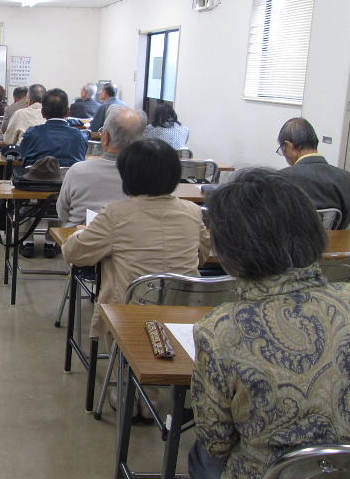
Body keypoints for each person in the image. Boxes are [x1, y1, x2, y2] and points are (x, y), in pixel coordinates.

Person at [188, 169, 350, 479]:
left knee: (202, 455)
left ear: (229, 250)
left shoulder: (220, 330)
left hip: (267, 472)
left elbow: (216, 441)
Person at [61, 139, 209, 340]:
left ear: (127, 177)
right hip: (184, 312)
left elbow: (74, 254)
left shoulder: (116, 214)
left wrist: (79, 234)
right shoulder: (193, 211)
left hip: (129, 315)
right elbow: (202, 256)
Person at [57, 107, 147, 226]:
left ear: (105, 137)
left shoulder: (78, 171)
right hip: (131, 235)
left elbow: (62, 213)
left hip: (81, 234)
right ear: (142, 140)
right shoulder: (148, 174)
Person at [277, 117, 350, 228]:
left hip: (291, 239)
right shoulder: (346, 179)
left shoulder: (278, 180)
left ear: (288, 146)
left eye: (283, 151)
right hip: (333, 239)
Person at [18, 89, 88, 167]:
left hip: (37, 175)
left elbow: (22, 156)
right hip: (68, 175)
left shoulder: (31, 134)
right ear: (68, 112)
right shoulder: (80, 136)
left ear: (42, 113)